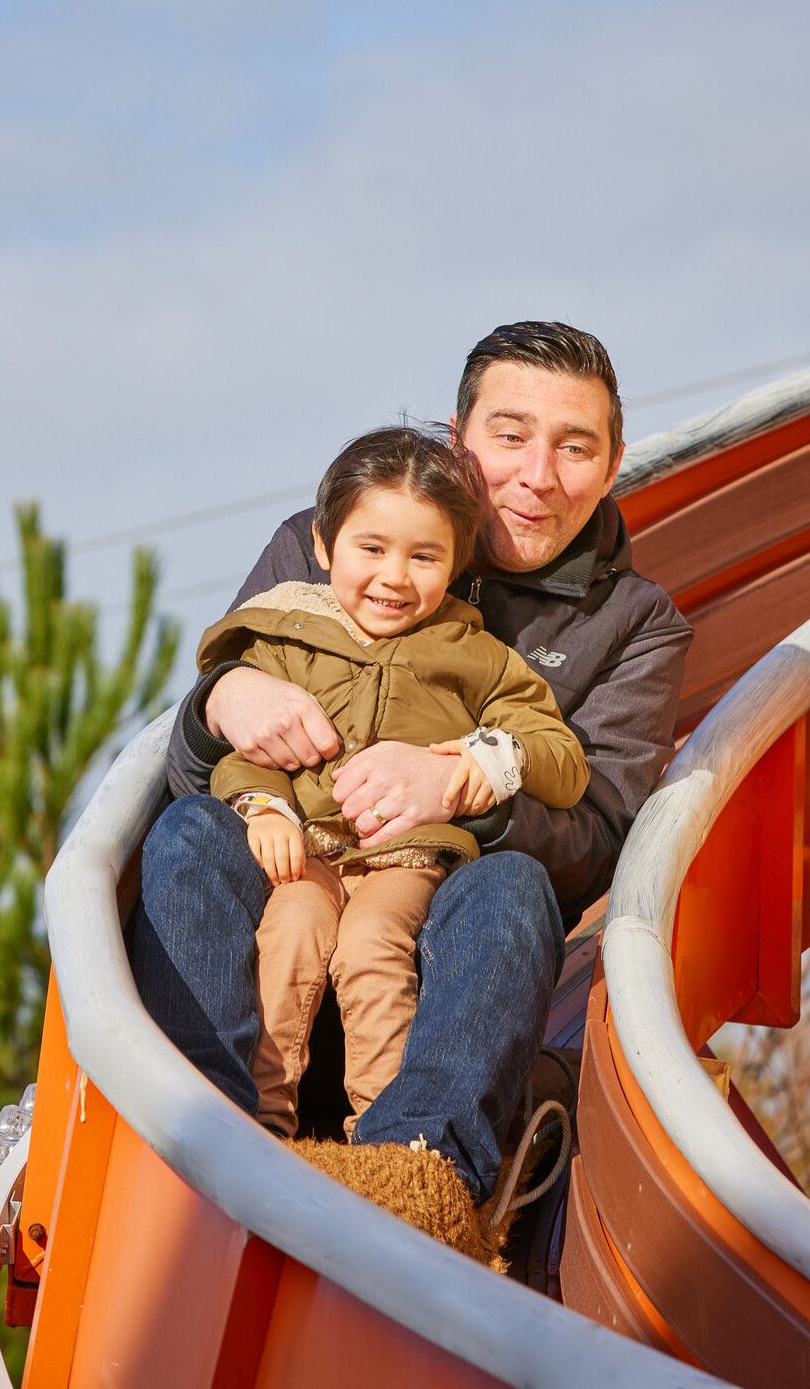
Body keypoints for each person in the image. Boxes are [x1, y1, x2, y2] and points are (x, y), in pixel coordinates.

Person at [129, 320, 694, 1246]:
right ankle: (200, 1129)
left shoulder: (634, 625)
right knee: (190, 836)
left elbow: (596, 839)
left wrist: (459, 785)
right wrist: (224, 698)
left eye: (574, 446)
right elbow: (194, 766)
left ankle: (417, 1170)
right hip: (296, 869)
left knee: (512, 886)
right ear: (459, 436)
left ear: (614, 461)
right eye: (509, 435)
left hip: (438, 904)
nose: (537, 474)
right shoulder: (334, 542)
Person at [200, 425, 589, 1142]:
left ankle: (386, 1140)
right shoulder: (284, 639)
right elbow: (247, 750)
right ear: (324, 546)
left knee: (372, 945)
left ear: (457, 562)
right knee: (289, 931)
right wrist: (261, 808)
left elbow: (559, 759)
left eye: (424, 556)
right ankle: (262, 1123)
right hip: (306, 850)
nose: (393, 576)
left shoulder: (474, 655)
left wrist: (480, 763)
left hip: (402, 857)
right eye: (371, 549)